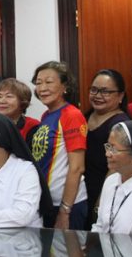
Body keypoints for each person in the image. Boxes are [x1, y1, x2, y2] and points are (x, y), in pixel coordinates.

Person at [30, 61, 88, 230]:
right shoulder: (46, 116)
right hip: (48, 201)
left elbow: (77, 167)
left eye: (49, 82)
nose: (42, 88)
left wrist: (65, 210)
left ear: (65, 86)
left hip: (68, 204)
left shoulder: (72, 115)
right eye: (39, 83)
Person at [83, 69, 130, 230]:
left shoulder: (120, 124)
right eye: (94, 90)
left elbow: (116, 167)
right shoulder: (85, 116)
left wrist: (101, 201)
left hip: (103, 192)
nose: (97, 95)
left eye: (105, 91)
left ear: (120, 96)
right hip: (81, 191)